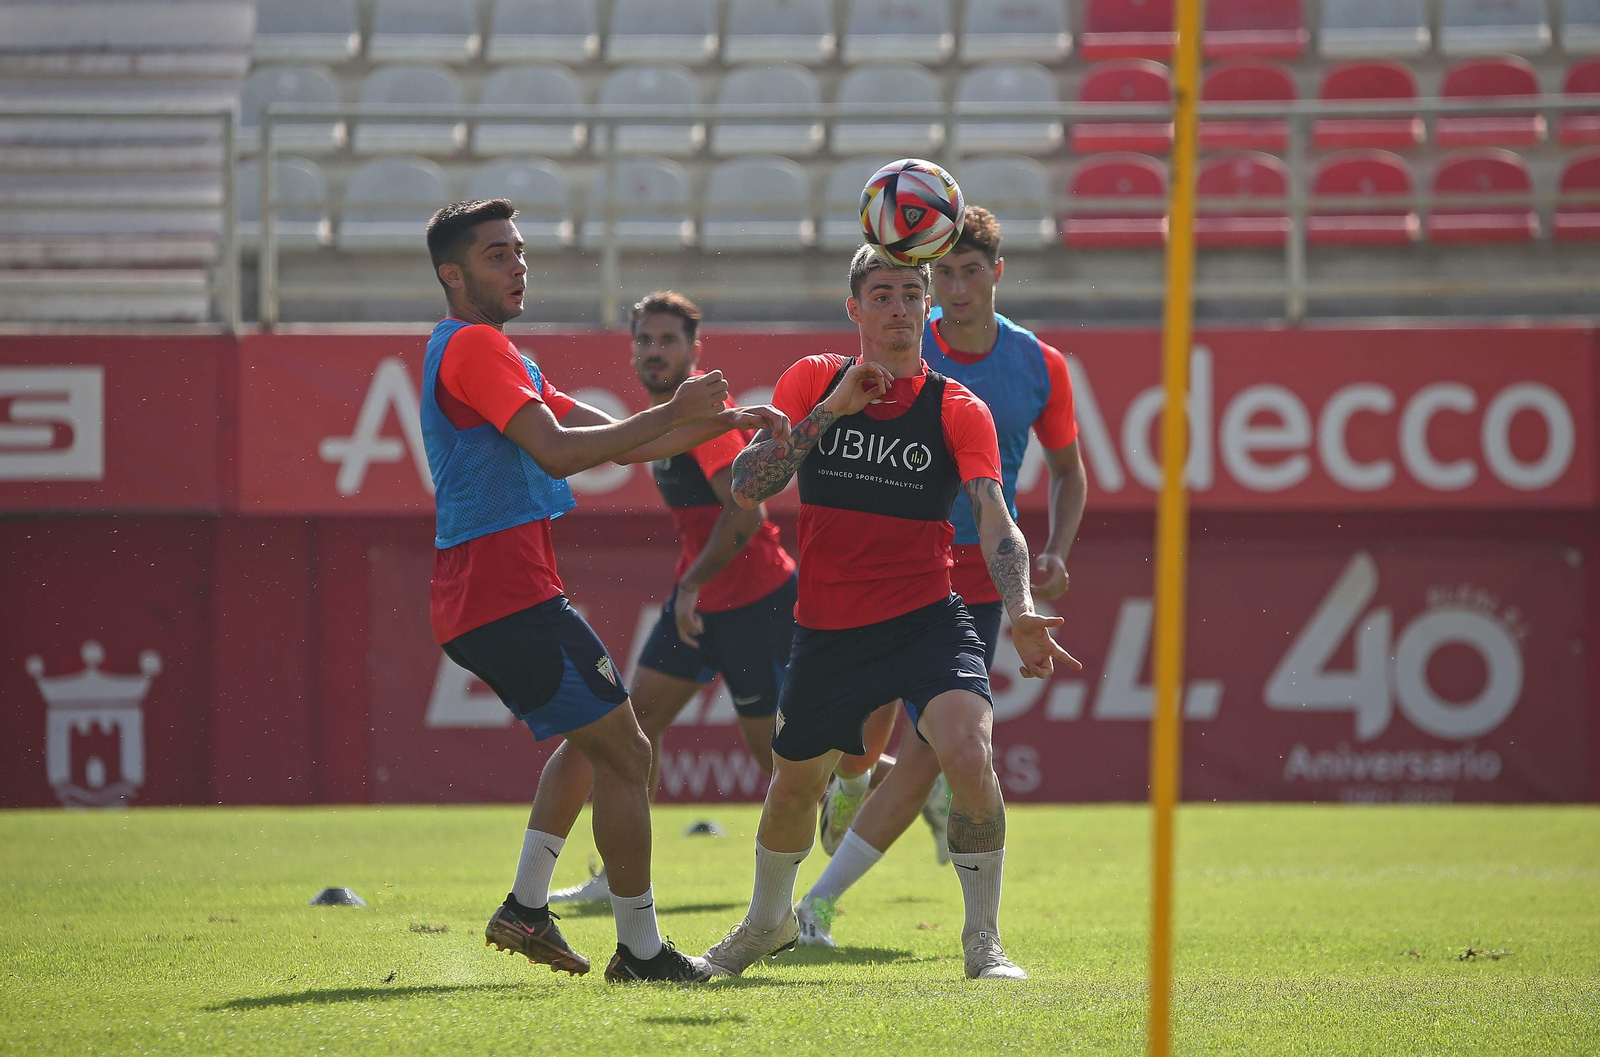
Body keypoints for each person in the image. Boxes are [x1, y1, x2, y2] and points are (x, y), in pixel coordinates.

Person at [418, 199, 786, 983]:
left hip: (497, 592)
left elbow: (624, 440)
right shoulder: (475, 347)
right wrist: (680, 412)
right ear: (452, 274)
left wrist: (721, 420)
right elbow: (558, 452)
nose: (517, 265)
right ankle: (643, 951)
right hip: (503, 592)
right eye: (495, 255)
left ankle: (527, 906)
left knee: (603, 746)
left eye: (519, 250)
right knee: (627, 752)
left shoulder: (499, 355)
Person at [700, 245, 1081, 982]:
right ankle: (763, 924)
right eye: (882, 295)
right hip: (829, 629)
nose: (901, 308)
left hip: (927, 620)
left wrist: (1022, 604)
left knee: (969, 756)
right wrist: (833, 408)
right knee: (792, 791)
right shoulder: (811, 378)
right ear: (855, 309)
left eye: (913, 293)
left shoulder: (957, 406)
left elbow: (994, 513)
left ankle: (983, 943)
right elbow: (748, 483)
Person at [796, 206, 1088, 948]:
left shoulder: (1039, 365)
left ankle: (822, 905)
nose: (952, 289)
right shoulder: (899, 340)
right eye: (942, 274)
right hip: (884, 567)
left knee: (945, 748)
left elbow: (1067, 471)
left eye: (968, 272)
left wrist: (1054, 548)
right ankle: (856, 780)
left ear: (997, 273)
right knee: (859, 746)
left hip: (976, 577)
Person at [548, 290, 799, 905]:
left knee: (778, 759)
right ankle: (619, 878)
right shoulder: (668, 417)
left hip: (751, 597)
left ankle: (885, 793)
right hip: (701, 598)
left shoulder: (705, 421)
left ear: (694, 351)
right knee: (634, 725)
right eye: (644, 340)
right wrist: (692, 587)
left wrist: (690, 584)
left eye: (668, 341)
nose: (654, 352)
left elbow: (746, 517)